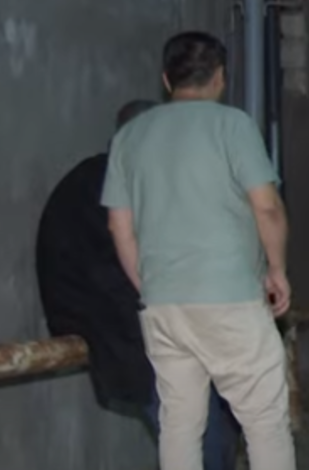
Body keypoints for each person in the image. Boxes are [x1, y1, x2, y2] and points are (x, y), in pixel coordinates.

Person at [101, 31, 295, 470]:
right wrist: (277, 269)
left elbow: (119, 226)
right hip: (231, 299)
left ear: (166, 80)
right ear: (221, 77)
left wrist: (149, 284)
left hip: (165, 306)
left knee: (180, 426)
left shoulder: (130, 137)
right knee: (264, 423)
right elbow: (267, 207)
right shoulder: (233, 126)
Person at [35, 99, 240, 470]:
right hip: (127, 335)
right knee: (205, 440)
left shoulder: (106, 183)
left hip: (130, 331)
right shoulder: (108, 188)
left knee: (210, 436)